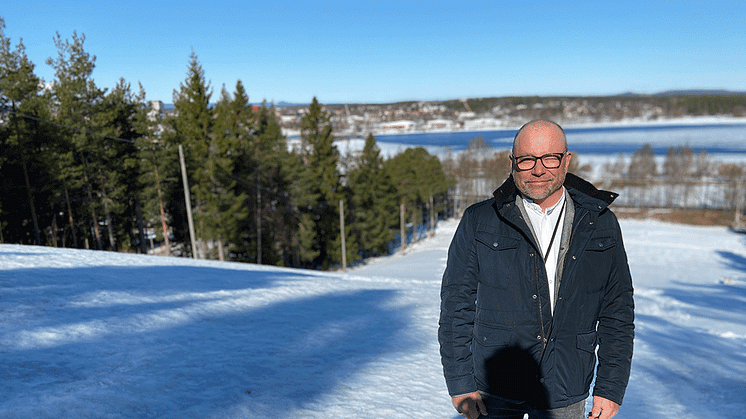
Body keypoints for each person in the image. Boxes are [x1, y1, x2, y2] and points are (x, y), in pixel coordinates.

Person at [438, 120, 634, 419]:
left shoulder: (599, 223)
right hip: (495, 387)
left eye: (550, 158)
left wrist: (610, 387)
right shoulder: (480, 220)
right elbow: (456, 307)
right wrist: (460, 382)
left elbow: (617, 311)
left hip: (567, 384)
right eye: (527, 159)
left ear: (566, 159)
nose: (538, 170)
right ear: (512, 162)